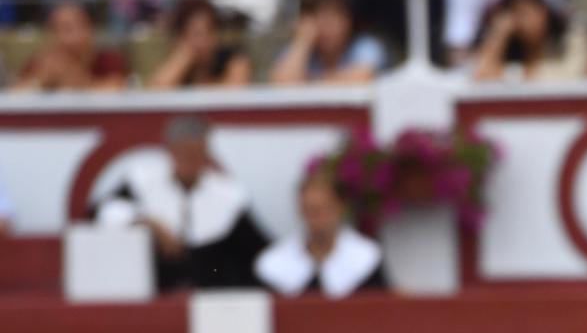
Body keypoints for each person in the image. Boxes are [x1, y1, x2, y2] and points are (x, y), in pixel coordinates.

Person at [96, 114, 269, 290]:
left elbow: (256, 251)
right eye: (184, 154)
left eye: (197, 155)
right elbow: (104, 211)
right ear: (170, 151)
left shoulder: (228, 194)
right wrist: (148, 222)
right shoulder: (142, 181)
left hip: (209, 290)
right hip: (154, 289)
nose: (190, 162)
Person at [255, 168, 385, 297]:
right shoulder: (274, 263)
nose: (316, 219)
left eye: (323, 209)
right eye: (309, 210)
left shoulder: (365, 258)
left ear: (341, 207)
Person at [468, 0, 587, 82]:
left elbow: (571, 73)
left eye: (527, 12)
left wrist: (525, 74)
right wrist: (499, 33)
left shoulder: (572, 39)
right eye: (517, 13)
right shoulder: (511, 52)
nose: (523, 21)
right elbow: (481, 74)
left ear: (545, 11)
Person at [9, 0, 128, 88]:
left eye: (69, 28)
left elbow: (116, 90)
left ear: (89, 30)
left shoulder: (109, 60)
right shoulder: (40, 63)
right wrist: (40, 81)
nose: (61, 36)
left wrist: (77, 80)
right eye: (56, 29)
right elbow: (13, 96)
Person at [270, 0, 387, 83]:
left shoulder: (366, 46)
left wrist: (307, 82)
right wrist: (303, 41)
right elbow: (283, 82)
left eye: (332, 21)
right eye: (321, 21)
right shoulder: (300, 48)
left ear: (347, 22)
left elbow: (362, 78)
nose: (327, 30)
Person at [146, 0, 252, 87]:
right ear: (180, 38)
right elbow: (157, 92)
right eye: (197, 34)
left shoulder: (234, 59)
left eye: (210, 31)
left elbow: (235, 90)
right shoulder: (176, 64)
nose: (205, 41)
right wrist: (182, 58)